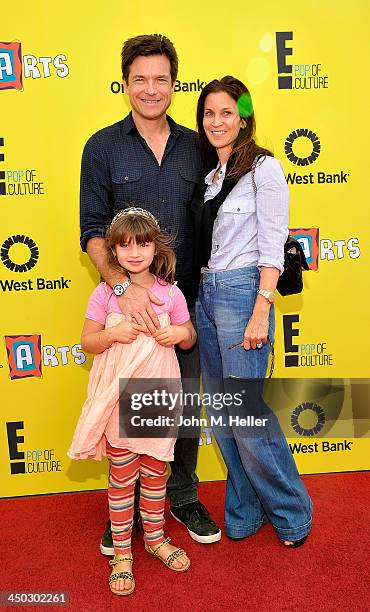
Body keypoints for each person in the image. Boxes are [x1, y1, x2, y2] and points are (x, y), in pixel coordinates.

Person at [79, 33, 221, 549]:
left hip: (183, 309)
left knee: (179, 410)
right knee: (129, 413)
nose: (150, 88)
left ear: (175, 85)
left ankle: (179, 497)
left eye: (160, 78)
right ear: (124, 84)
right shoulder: (102, 146)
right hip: (126, 313)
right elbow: (92, 230)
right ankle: (129, 510)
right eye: (140, 78)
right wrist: (121, 287)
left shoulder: (197, 147)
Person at [192, 76, 313, 547]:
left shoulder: (265, 168)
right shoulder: (210, 177)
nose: (216, 121)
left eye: (226, 112)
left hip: (244, 294)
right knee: (224, 418)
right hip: (205, 295)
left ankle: (292, 512)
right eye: (208, 113)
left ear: (244, 117)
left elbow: (271, 246)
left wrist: (262, 308)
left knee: (246, 416)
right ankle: (245, 507)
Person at [69, 208, 197, 595]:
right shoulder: (103, 293)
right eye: (125, 245)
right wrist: (114, 334)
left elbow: (189, 336)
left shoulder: (170, 291)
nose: (135, 252)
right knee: (122, 479)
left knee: (157, 475)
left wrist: (176, 331)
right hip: (117, 402)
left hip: (157, 397)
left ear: (156, 247)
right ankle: (122, 552)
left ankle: (155, 537)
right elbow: (86, 342)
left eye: (143, 243)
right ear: (113, 251)